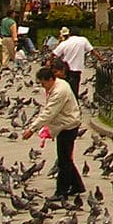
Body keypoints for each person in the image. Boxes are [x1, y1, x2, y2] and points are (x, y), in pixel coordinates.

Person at [22, 66, 85, 201]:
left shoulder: (59, 91)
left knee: (63, 161)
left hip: (67, 126)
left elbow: (49, 113)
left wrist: (32, 129)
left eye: (44, 83)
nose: (43, 87)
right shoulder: (60, 84)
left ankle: (61, 192)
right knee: (66, 158)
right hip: (66, 124)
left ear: (50, 79)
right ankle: (77, 185)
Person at [51, 28, 95, 102]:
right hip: (77, 68)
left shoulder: (65, 43)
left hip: (65, 68)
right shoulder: (83, 40)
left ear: (69, 34)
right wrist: (101, 59)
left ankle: (65, 101)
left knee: (64, 85)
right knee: (75, 87)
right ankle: (74, 102)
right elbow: (92, 51)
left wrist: (49, 63)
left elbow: (53, 54)